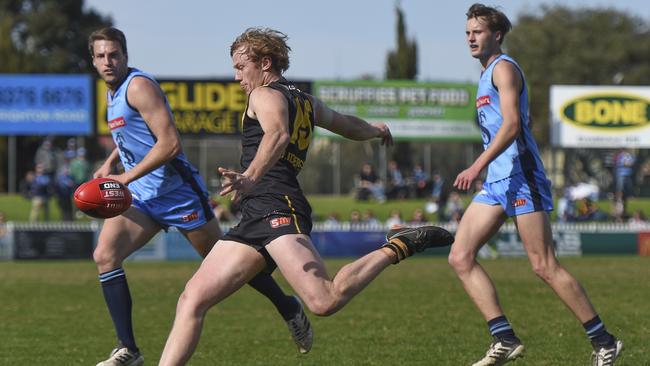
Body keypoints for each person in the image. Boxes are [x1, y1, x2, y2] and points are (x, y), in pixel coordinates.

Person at [157, 27, 454, 365]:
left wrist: (251, 177)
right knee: (192, 299)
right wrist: (375, 129)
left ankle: (398, 245)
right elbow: (346, 125)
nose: (236, 76)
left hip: (276, 204)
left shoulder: (263, 95)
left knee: (324, 301)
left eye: (241, 67)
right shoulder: (306, 101)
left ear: (265, 63)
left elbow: (279, 134)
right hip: (257, 213)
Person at [88, 27, 312, 366]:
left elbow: (169, 144)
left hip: (178, 194)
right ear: (93, 60)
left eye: (114, 54)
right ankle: (128, 350)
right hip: (143, 196)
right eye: (101, 55)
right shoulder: (112, 92)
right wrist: (110, 163)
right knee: (105, 255)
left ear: (126, 55)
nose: (108, 61)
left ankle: (287, 305)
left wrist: (123, 178)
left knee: (229, 263)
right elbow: (130, 140)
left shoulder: (138, 87)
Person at [448, 5, 622, 366]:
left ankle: (604, 341)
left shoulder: (504, 69)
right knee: (460, 256)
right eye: (467, 32)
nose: (470, 38)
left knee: (544, 266)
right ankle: (504, 337)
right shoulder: (484, 76)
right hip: (498, 182)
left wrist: (478, 163)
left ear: (496, 35)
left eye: (477, 32)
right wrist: (487, 167)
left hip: (521, 176)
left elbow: (511, 125)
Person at [612, 148, 635, 221]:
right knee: (619, 188)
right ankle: (618, 200)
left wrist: (627, 163)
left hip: (627, 174)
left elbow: (631, 162)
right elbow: (624, 163)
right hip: (621, 174)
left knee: (627, 189)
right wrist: (627, 163)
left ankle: (624, 198)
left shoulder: (629, 155)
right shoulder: (620, 156)